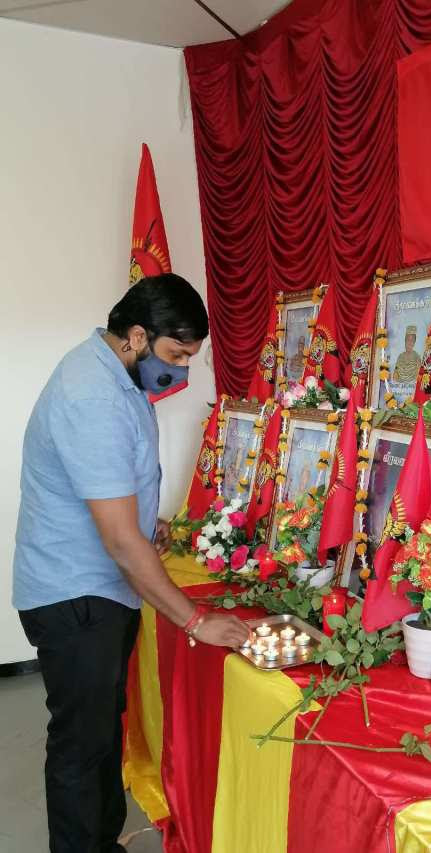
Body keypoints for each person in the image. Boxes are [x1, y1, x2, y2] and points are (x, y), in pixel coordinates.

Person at [13, 274, 250, 853]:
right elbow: (120, 544)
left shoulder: (113, 374)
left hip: (98, 588)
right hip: (75, 595)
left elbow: (112, 497)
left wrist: (148, 522)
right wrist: (195, 620)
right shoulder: (92, 395)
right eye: (176, 355)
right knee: (81, 744)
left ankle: (102, 842)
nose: (182, 371)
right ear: (138, 336)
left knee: (101, 732)